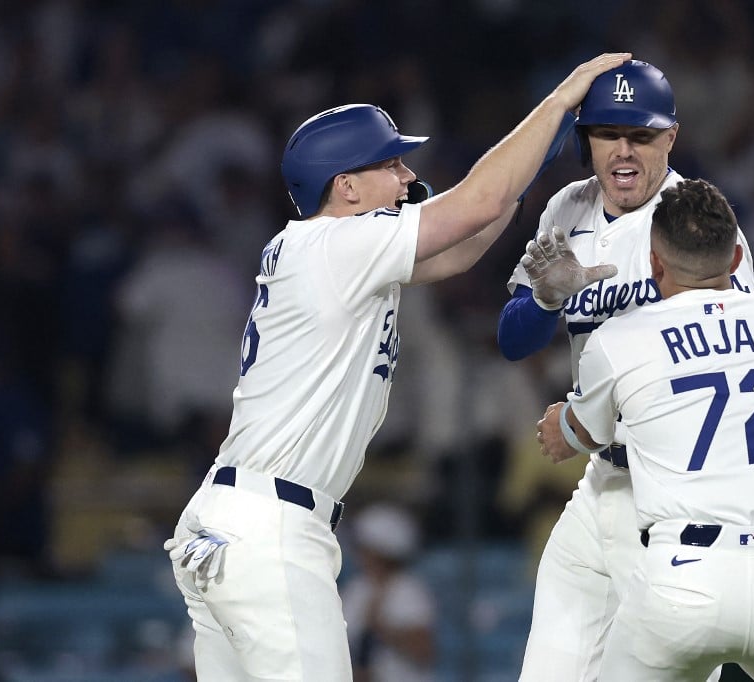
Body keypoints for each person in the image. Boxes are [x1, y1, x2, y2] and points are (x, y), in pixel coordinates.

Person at [163, 52, 634, 681]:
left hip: (230, 521)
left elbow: (463, 247)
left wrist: (530, 166)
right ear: (345, 187)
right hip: (269, 532)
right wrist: (556, 107)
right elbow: (475, 203)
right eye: (389, 163)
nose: (408, 174)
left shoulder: (331, 255)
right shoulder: (334, 244)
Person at [497, 59, 754, 681]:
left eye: (640, 135)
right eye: (607, 132)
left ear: (670, 137)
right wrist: (543, 299)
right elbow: (512, 341)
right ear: (585, 138)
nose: (623, 151)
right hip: (601, 484)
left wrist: (585, 419)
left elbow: (730, 360)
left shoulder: (696, 222)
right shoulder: (567, 208)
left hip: (677, 495)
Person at [536, 178, 754, 680]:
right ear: (734, 260)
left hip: (684, 579)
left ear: (656, 263)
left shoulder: (621, 338)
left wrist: (562, 425)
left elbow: (583, 436)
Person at [341, 504, 436, 682]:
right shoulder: (356, 589)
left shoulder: (409, 591)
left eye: (365, 547)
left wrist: (380, 626)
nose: (359, 553)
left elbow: (423, 651)